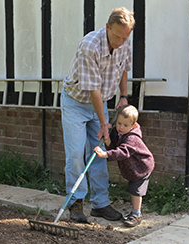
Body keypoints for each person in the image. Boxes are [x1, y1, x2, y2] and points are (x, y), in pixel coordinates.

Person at [60, 7, 135, 223]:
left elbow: (123, 68)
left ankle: (100, 204)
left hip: (99, 103)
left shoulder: (124, 41)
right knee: (76, 154)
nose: (120, 42)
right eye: (116, 36)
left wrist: (123, 95)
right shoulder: (89, 46)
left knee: (99, 152)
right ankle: (75, 203)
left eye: (125, 37)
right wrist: (104, 123)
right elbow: (93, 90)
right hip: (76, 102)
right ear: (107, 27)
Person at [94, 105, 155, 227]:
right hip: (133, 168)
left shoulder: (133, 138)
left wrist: (105, 154)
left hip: (142, 167)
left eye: (125, 125)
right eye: (119, 123)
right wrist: (108, 141)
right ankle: (135, 212)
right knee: (133, 188)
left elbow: (123, 152)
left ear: (133, 126)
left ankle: (136, 214)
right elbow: (114, 145)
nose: (121, 127)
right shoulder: (118, 132)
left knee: (136, 190)